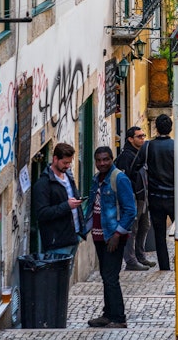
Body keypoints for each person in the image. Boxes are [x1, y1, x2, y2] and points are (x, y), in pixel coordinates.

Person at [84, 147, 137, 328]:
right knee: (106, 276)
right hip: (100, 236)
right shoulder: (96, 179)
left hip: (113, 237)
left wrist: (117, 234)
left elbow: (130, 211)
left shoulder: (119, 179)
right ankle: (108, 314)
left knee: (110, 276)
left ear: (112, 159)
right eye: (98, 160)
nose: (102, 163)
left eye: (105, 159)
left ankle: (119, 318)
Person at [32, 142, 83, 265]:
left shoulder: (68, 177)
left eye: (69, 163)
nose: (68, 166)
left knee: (66, 279)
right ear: (55, 159)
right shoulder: (43, 184)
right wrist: (67, 206)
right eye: (65, 163)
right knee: (57, 279)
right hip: (57, 242)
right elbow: (42, 213)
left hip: (74, 236)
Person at [115, 126, 155, 270]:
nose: (142, 139)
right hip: (132, 198)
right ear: (130, 139)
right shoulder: (126, 156)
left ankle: (140, 256)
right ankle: (131, 261)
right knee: (132, 229)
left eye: (143, 136)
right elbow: (123, 179)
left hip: (142, 197)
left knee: (144, 226)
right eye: (139, 136)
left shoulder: (141, 153)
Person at [146, 114, 176, 271]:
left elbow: (136, 166)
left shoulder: (148, 146)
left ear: (156, 128)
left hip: (155, 198)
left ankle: (164, 266)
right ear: (171, 128)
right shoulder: (176, 146)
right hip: (174, 197)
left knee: (159, 235)